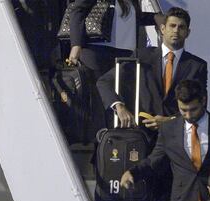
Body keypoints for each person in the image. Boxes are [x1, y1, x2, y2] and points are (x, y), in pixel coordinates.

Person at [96, 7, 207, 130]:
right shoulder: (141, 57)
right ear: (163, 29)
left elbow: (200, 106)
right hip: (141, 135)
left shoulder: (197, 65)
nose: (176, 31)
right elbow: (104, 82)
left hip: (176, 138)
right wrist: (119, 107)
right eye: (172, 26)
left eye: (181, 27)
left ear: (187, 32)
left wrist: (169, 121)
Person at [68, 0, 161, 138]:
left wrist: (154, 18)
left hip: (126, 53)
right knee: (100, 101)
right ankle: (101, 144)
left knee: (125, 99)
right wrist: (76, 45)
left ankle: (120, 143)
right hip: (97, 49)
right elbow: (78, 10)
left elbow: (129, 16)